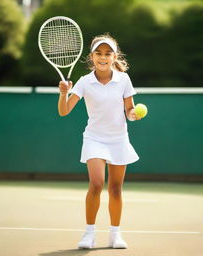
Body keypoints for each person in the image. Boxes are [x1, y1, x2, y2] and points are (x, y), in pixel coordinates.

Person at [58, 34, 141, 249]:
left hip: (118, 139)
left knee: (115, 189)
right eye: (98, 53)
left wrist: (134, 115)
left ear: (114, 57)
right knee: (96, 184)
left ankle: (115, 234)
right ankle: (89, 234)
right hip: (94, 138)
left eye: (107, 54)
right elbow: (64, 111)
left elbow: (129, 111)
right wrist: (63, 94)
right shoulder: (85, 82)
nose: (103, 58)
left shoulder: (124, 79)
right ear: (92, 57)